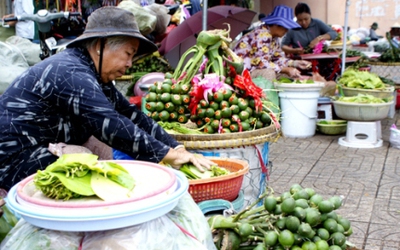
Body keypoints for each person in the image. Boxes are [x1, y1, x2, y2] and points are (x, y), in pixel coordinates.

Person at [0, 6, 215, 191]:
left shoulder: (91, 73)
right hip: (15, 160)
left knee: (101, 152)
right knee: (85, 162)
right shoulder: (70, 72)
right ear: (100, 46)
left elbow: (131, 115)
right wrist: (168, 155)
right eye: (128, 53)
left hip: (46, 144)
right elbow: (110, 125)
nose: (130, 64)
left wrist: (175, 148)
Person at [233, 5, 311, 80]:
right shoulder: (262, 34)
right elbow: (261, 63)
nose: (287, 30)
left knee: (288, 75)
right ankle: (265, 94)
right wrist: (286, 69)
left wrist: (296, 63)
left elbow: (278, 58)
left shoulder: (274, 38)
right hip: (242, 73)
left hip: (254, 70)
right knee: (269, 73)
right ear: (277, 24)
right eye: (285, 27)